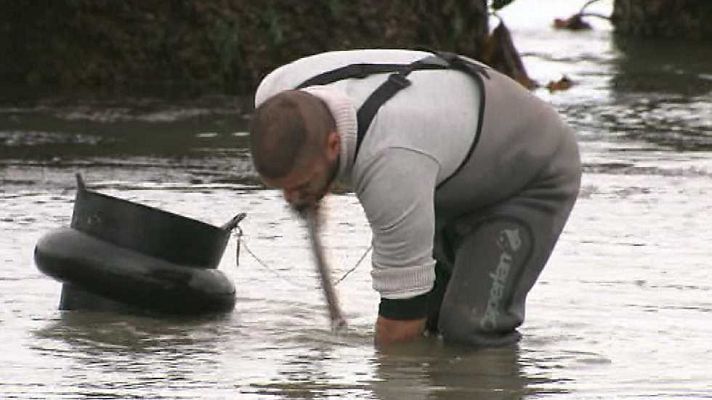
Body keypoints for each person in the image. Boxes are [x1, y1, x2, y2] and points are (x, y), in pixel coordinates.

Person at [248, 49, 581, 347]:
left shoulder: (392, 161)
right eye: (281, 187)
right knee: (432, 322)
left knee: (470, 329)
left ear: (333, 144)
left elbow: (399, 328)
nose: (291, 198)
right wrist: (311, 187)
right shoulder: (275, 92)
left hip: (529, 173)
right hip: (446, 160)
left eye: (302, 184)